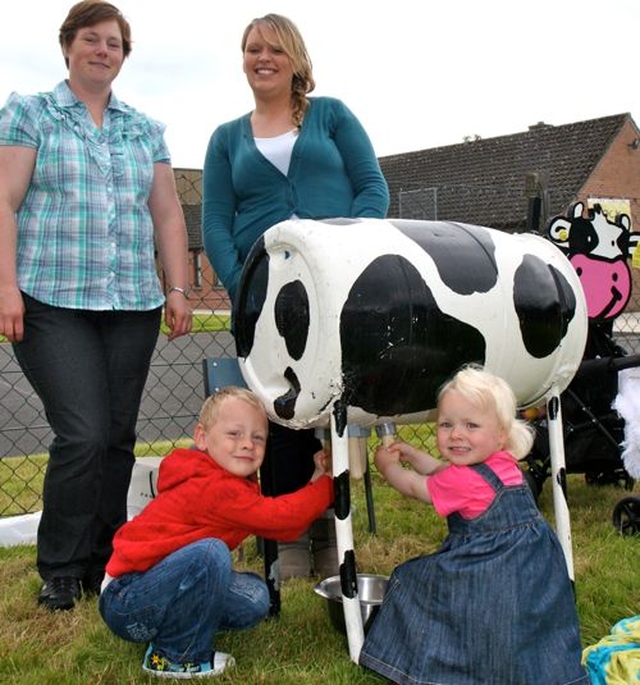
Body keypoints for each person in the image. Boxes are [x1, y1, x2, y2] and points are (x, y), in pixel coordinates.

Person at [0, 0, 192, 612]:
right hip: (50, 299)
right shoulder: (31, 114)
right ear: (67, 47)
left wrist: (179, 287)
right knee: (81, 433)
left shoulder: (144, 129)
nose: (102, 50)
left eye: (114, 42)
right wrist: (5, 287)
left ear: (124, 57)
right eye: (91, 38)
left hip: (131, 302)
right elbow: (4, 199)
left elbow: (166, 212)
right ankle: (59, 568)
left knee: (116, 437)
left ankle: (108, 559)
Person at [202, 13, 389, 578]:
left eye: (275, 49)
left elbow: (371, 187)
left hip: (333, 292)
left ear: (296, 60)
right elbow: (214, 220)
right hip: (265, 299)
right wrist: (242, 286)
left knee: (329, 410)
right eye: (252, 48)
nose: (263, 57)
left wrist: (351, 259)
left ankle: (334, 534)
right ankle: (287, 540)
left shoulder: (331, 116)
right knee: (278, 411)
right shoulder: (226, 138)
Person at [359, 365, 589, 685]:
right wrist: (413, 454)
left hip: (485, 571)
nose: (456, 434)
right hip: (533, 575)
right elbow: (444, 473)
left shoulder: (465, 479)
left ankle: (430, 663)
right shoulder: (502, 463)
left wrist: (389, 468)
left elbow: (415, 487)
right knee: (529, 635)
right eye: (446, 424)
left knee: (411, 580)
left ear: (500, 434)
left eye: (471, 425)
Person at [99, 386, 334, 679]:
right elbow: (281, 519)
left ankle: (180, 624)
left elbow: (281, 520)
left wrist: (316, 477)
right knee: (210, 553)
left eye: (257, 437)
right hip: (127, 601)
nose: (247, 444)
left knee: (255, 598)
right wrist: (328, 485)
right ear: (202, 438)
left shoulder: (220, 478)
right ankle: (172, 656)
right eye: (234, 434)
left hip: (152, 591)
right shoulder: (213, 488)